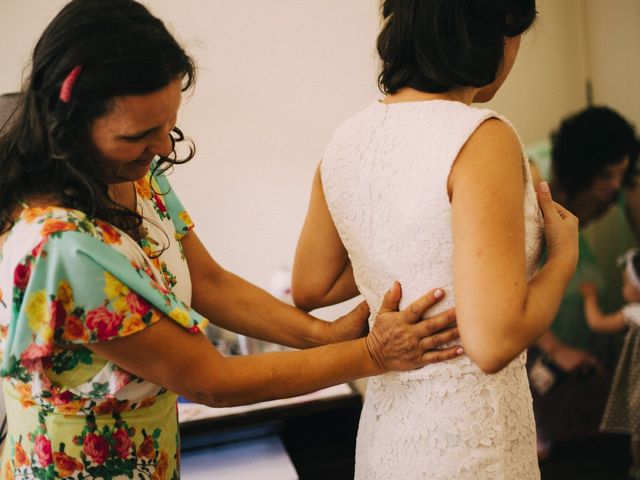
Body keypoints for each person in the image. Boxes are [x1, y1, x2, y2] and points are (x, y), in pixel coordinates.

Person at [0, 1, 465, 478]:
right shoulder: (60, 247)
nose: (162, 148)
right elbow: (210, 381)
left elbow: (209, 282)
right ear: (69, 121)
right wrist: (371, 356)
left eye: (168, 125)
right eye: (140, 134)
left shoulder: (134, 171)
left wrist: (321, 335)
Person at [292, 0, 579, 478]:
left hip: (389, 438)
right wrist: (563, 254)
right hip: (468, 444)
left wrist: (391, 264)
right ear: (496, 32)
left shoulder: (346, 140)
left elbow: (311, 287)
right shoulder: (480, 136)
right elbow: (491, 343)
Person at [526, 106, 640, 458]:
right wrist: (555, 348)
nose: (615, 185)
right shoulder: (532, 178)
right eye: (607, 175)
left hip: (573, 290)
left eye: (621, 173)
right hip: (525, 288)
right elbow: (510, 284)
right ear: (579, 169)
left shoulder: (619, 185)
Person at [579, 249, 640, 479]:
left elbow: (597, 322)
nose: (622, 287)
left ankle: (637, 468)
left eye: (625, 283)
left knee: (638, 431)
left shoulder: (632, 312)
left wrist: (589, 296)